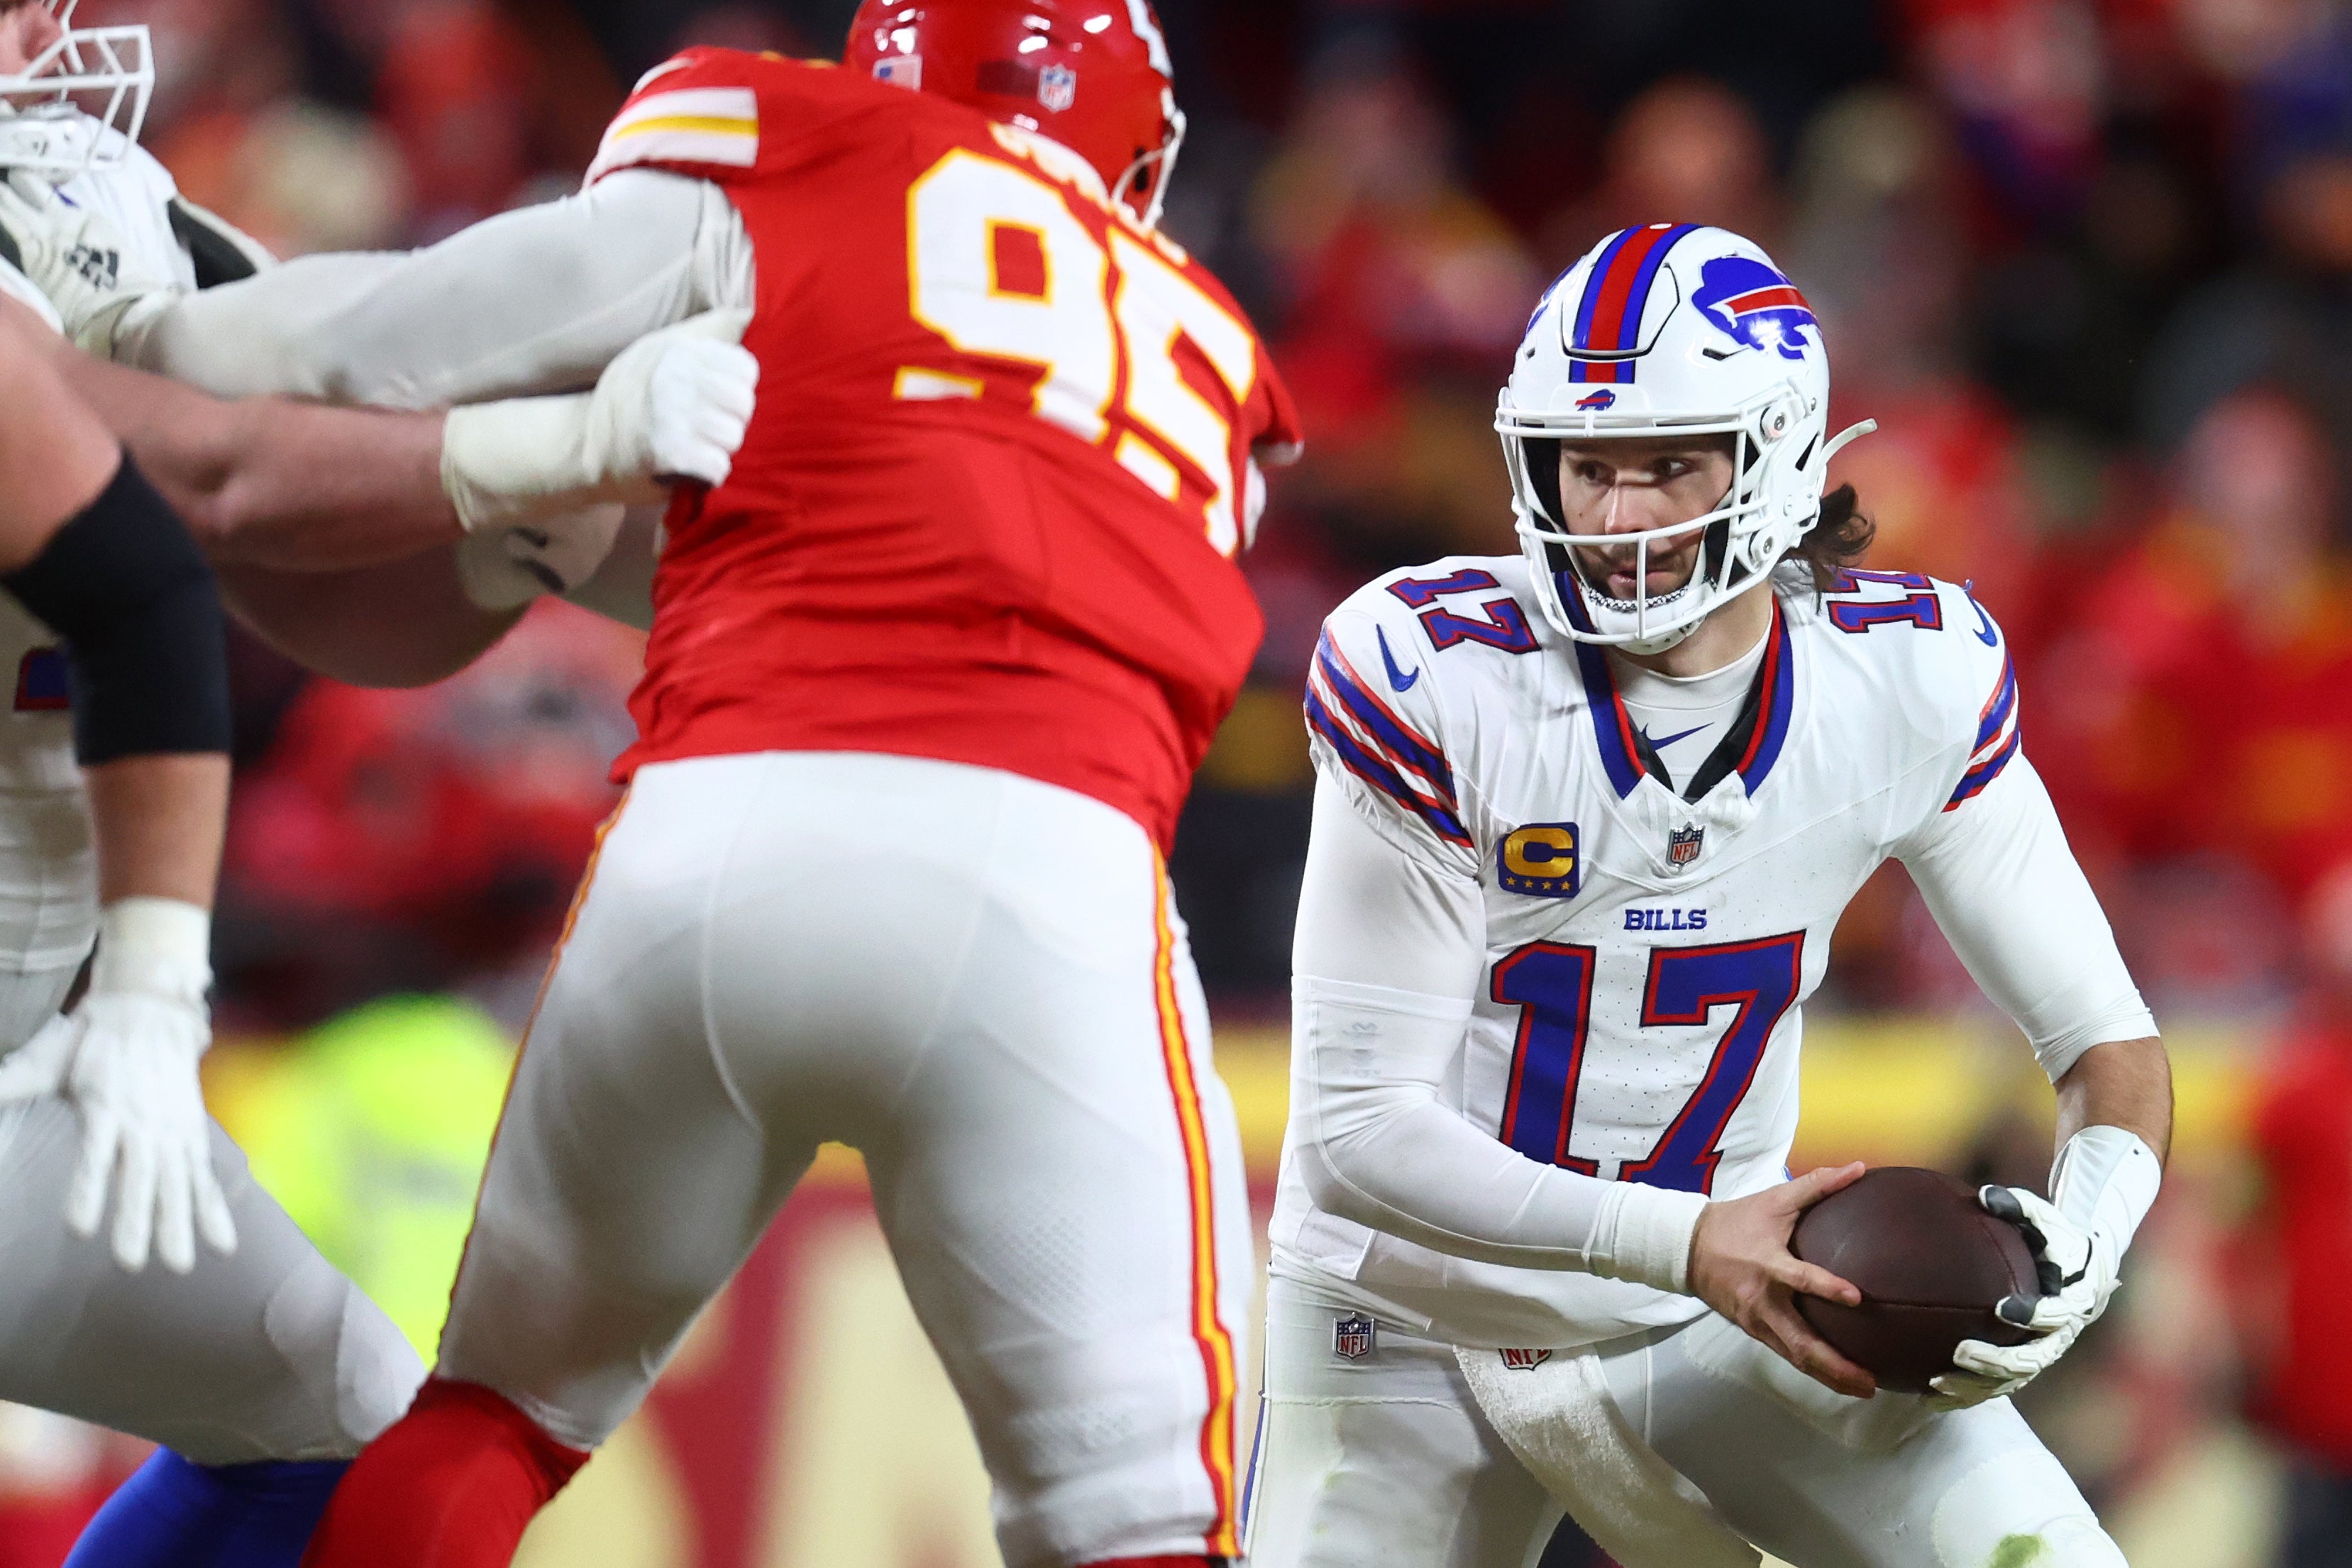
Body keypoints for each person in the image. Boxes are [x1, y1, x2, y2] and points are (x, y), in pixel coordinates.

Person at [6, 4, 1303, 1565]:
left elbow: (301, 489)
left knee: (386, 1419)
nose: (48, 26)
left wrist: (528, 490)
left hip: (101, 1042)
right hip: (1060, 879)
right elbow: (202, 464)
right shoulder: (1210, 366)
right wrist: (523, 451)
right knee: (1143, 1507)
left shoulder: (787, 159)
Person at [1245, 223, 2170, 1568]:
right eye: (1590, 465)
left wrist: (2084, 1241)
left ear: (1780, 456)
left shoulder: (1906, 680)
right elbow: (1360, 1133)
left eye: (1670, 463)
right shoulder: (1435, 675)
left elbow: (2108, 1046)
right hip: (1412, 1306)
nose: (1619, 515)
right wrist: (1689, 1241)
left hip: (1720, 1305)